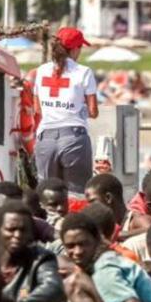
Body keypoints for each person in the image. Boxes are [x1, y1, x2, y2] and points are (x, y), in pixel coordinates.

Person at [33, 27, 99, 194]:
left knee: (47, 196)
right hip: (74, 138)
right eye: (80, 48)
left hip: (45, 138)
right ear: (75, 49)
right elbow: (93, 112)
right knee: (77, 195)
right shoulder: (84, 72)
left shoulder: (41, 71)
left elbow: (36, 108)